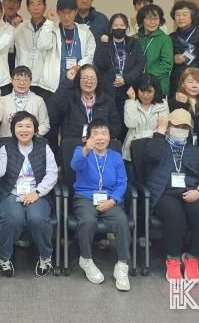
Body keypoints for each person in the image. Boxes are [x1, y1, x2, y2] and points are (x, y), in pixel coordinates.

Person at [145, 111, 199, 283]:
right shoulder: (159, 145)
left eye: (184, 127)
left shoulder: (195, 151)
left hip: (190, 192)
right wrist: (160, 130)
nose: (181, 130)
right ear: (169, 127)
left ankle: (192, 258)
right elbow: (151, 156)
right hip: (164, 193)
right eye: (176, 126)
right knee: (175, 215)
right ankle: (173, 259)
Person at [0, 111, 58, 277]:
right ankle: (3, 257)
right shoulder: (6, 146)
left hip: (37, 193)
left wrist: (37, 192)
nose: (24, 130)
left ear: (35, 129)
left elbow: (52, 173)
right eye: (19, 126)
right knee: (14, 218)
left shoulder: (44, 146)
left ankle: (45, 256)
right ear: (13, 129)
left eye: (28, 126)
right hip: (11, 193)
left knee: (37, 218)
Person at [70, 118, 131, 290]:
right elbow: (75, 166)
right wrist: (86, 149)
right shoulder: (81, 151)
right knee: (88, 220)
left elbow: (122, 182)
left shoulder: (116, 157)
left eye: (104, 133)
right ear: (88, 137)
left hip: (109, 198)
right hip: (85, 197)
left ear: (109, 137)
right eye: (95, 133)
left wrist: (113, 200)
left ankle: (122, 265)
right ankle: (86, 259)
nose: (100, 137)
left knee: (121, 220)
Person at [93, 13, 146, 141]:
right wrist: (104, 44)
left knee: (126, 122)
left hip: (128, 90)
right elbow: (100, 64)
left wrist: (126, 79)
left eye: (122, 25)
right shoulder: (104, 42)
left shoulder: (133, 42)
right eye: (116, 25)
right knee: (109, 121)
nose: (119, 28)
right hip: (107, 90)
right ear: (111, 27)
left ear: (127, 27)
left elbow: (140, 64)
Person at [49, 64, 122, 144]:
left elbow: (116, 128)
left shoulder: (107, 101)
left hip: (100, 146)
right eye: (85, 78)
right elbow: (54, 109)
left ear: (98, 81)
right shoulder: (69, 98)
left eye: (92, 78)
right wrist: (68, 81)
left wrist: (100, 135)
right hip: (73, 145)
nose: (89, 81)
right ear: (78, 80)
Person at [37, 0, 96, 93]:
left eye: (69, 13)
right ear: (58, 13)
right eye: (63, 13)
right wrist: (49, 21)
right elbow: (42, 45)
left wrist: (79, 66)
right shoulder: (52, 30)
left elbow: (90, 55)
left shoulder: (85, 32)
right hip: (53, 86)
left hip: (78, 84)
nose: (66, 17)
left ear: (76, 12)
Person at [14, 0, 55, 100]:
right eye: (32, 4)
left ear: (45, 7)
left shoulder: (52, 27)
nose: (35, 7)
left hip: (43, 81)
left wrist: (49, 22)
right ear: (28, 8)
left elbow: (46, 45)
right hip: (23, 79)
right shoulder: (21, 27)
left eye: (39, 4)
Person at [0, 66, 50, 138]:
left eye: (25, 80)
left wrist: (32, 135)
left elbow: (45, 124)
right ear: (12, 81)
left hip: (32, 141)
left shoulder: (38, 100)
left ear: (30, 82)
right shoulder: (3, 100)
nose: (21, 83)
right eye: (18, 79)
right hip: (8, 141)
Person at [170, 68, 199, 161]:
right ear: (183, 84)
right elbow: (177, 125)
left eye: (198, 82)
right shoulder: (174, 101)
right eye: (190, 82)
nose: (194, 85)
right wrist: (181, 104)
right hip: (182, 150)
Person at [122, 74, 169, 161]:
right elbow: (131, 124)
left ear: (155, 91)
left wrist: (139, 137)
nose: (145, 95)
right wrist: (131, 101)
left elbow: (163, 129)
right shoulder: (131, 103)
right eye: (142, 91)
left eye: (149, 91)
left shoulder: (163, 104)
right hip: (132, 152)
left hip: (155, 151)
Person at [169, 0, 199, 95]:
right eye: (177, 15)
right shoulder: (171, 37)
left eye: (184, 14)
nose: (181, 18)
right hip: (177, 81)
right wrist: (173, 59)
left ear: (192, 16)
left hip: (195, 81)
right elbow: (165, 59)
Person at [136, 4, 173, 96]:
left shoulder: (165, 39)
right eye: (148, 18)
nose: (152, 22)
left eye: (156, 19)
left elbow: (166, 65)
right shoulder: (136, 38)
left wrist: (147, 78)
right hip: (138, 84)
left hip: (158, 85)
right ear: (142, 20)